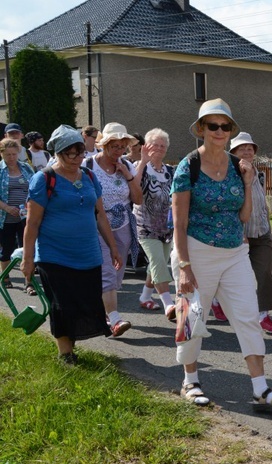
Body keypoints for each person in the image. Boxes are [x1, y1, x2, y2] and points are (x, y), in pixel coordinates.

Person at [171, 98, 272, 409]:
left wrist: (250, 182)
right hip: (196, 252)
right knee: (193, 317)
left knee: (248, 317)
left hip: (235, 251)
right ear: (201, 129)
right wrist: (184, 265)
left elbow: (243, 216)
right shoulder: (189, 166)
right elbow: (179, 222)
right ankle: (190, 381)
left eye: (225, 126)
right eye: (213, 125)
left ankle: (261, 389)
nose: (220, 131)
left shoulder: (238, 168)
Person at [20, 125, 121, 365]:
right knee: (62, 305)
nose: (77, 158)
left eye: (80, 152)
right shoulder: (44, 179)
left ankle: (70, 349)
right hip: (54, 256)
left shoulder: (88, 176)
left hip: (88, 254)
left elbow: (100, 215)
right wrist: (27, 258)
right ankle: (66, 355)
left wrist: (113, 247)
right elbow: (32, 224)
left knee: (83, 303)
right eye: (70, 153)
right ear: (57, 152)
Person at [89, 122, 143, 337]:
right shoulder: (89, 166)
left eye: (123, 147)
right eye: (115, 147)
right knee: (107, 273)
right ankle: (115, 319)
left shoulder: (127, 166)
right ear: (104, 146)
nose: (119, 152)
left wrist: (127, 175)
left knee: (117, 276)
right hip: (97, 228)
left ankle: (104, 315)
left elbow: (138, 199)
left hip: (122, 228)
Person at [229, 132, 272, 334]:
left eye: (250, 147)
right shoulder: (229, 175)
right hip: (239, 236)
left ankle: (263, 315)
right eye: (242, 148)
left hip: (261, 235)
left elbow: (262, 205)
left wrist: (268, 230)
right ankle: (217, 301)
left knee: (264, 273)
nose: (247, 150)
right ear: (233, 152)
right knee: (232, 277)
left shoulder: (257, 172)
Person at [133, 128, 176, 320]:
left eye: (162, 145)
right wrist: (143, 161)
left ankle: (145, 297)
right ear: (146, 146)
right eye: (155, 145)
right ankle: (169, 304)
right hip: (144, 225)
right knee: (158, 261)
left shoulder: (170, 171)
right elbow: (133, 187)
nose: (159, 148)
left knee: (156, 264)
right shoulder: (139, 166)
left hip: (166, 226)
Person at [0, 139, 36, 293]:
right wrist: (7, 207)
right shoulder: (0, 171)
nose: (11, 157)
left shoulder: (26, 168)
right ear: (2, 154)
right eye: (8, 154)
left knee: (27, 248)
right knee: (6, 248)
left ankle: (29, 282)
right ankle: (5, 277)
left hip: (25, 217)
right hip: (5, 217)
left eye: (14, 154)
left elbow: (35, 188)